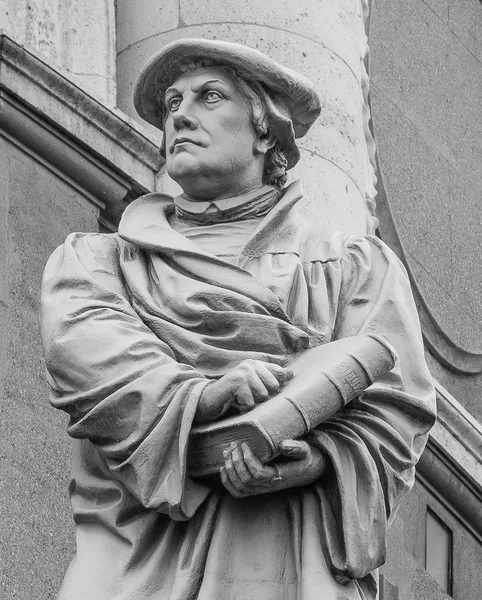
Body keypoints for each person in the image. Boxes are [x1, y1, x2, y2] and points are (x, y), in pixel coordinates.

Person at [40, 39, 436, 600]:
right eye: (174, 102)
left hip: (286, 545)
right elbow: (88, 355)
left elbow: (399, 408)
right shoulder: (100, 261)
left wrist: (319, 459)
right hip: (140, 554)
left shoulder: (350, 266)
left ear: (266, 131)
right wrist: (201, 395)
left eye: (209, 96)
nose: (180, 114)